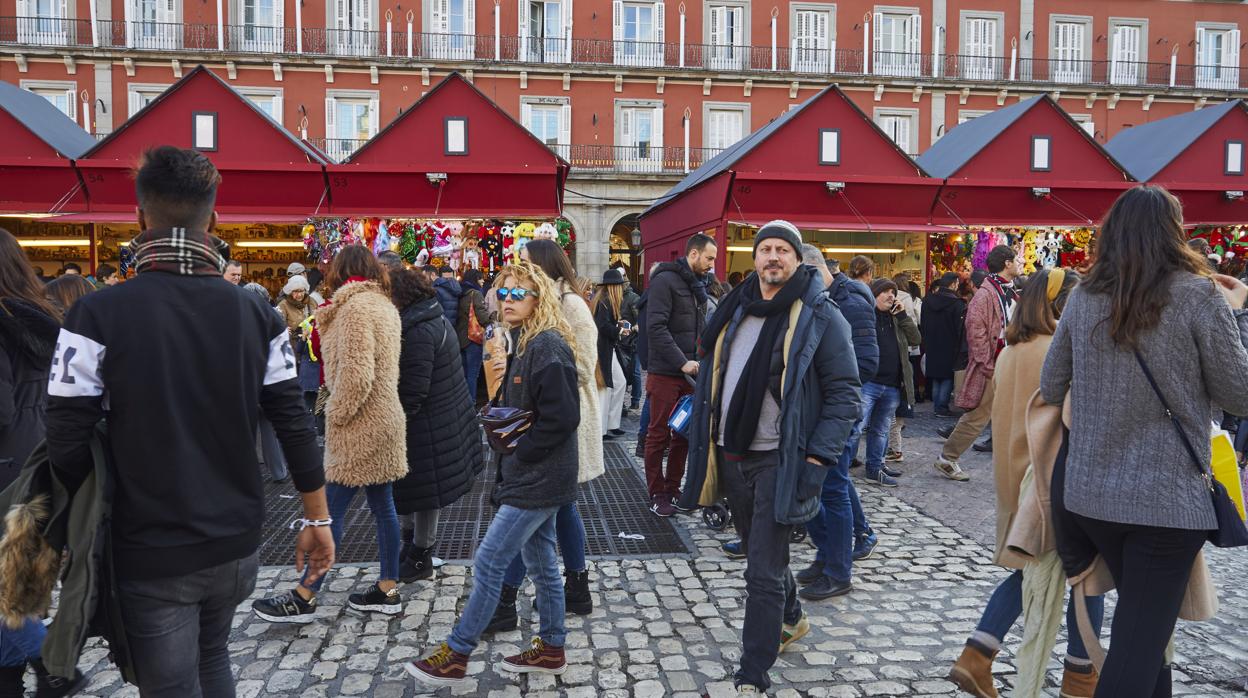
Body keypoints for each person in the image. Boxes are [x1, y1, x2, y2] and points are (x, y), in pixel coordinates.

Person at [43, 146, 332, 696]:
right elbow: (293, 421)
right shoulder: (257, 313)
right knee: (214, 658)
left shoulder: (95, 313)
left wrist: (84, 513)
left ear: (139, 218)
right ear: (214, 219)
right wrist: (318, 520)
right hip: (237, 539)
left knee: (171, 683)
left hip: (150, 542)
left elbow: (65, 433)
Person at [1041, 186, 1248, 696]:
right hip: (1166, 502)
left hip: (1091, 497)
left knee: (1145, 636)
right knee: (1136, 648)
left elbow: (1050, 386)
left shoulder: (1085, 295)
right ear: (1173, 234)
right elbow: (1239, 394)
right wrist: (1236, 312)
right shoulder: (1199, 294)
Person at [678, 220, 860, 694]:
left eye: (783, 249)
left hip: (782, 457)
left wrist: (818, 459)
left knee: (761, 569)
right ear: (754, 259)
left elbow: (845, 394)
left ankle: (752, 671)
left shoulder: (821, 315)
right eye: (766, 249)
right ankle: (794, 617)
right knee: (767, 558)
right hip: (732, 453)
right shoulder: (736, 309)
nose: (773, 257)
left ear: (798, 260)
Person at [406, 261, 581, 686]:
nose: (507, 301)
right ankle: (552, 648)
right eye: (502, 293)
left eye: (518, 293)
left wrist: (522, 454)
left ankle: (458, 652)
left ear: (539, 297)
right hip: (537, 476)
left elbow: (563, 417)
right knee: (541, 566)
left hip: (538, 479)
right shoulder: (525, 341)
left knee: (488, 561)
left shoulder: (547, 345)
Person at [949, 267, 1105, 698]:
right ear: (1058, 304)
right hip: (1051, 482)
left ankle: (977, 655)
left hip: (1015, 479)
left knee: (1031, 574)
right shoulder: (1060, 349)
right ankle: (1080, 676)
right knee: (1088, 574)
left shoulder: (1012, 350)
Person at [252, 245, 407, 622]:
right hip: (384, 417)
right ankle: (388, 587)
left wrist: (334, 413)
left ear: (340, 271)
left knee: (330, 508)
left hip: (360, 422)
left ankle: (306, 593)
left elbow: (356, 374)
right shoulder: (383, 305)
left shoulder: (354, 309)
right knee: (382, 505)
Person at [491, 239, 601, 628]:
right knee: (556, 509)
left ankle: (508, 601)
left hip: (560, 423)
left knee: (538, 509)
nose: (520, 269)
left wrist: (541, 381)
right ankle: (574, 588)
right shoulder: (532, 307)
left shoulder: (570, 306)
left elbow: (584, 366)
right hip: (541, 422)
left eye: (526, 263)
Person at [0, 229, 82, 696]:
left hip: (6, 471)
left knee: (9, 599)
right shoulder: (46, 320)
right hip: (39, 467)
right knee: (20, 593)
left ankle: (54, 660)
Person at [793, 245, 880, 599]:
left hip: (837, 415)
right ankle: (827, 556)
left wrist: (828, 390)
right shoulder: (819, 300)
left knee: (833, 490)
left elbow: (865, 364)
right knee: (813, 491)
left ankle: (838, 569)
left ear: (811, 268)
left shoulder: (850, 303)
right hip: (815, 414)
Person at [388, 267, 482, 583]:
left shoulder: (418, 331)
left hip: (429, 426)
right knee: (423, 491)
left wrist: (393, 420)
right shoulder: (432, 319)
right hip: (441, 421)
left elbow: (413, 390)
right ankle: (413, 547)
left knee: (425, 492)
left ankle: (419, 555)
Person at [643, 233, 716, 517]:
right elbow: (656, 327)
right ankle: (657, 493)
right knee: (657, 435)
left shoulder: (697, 284)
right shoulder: (664, 280)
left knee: (683, 434)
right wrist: (682, 362)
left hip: (690, 374)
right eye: (709, 258)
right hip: (665, 373)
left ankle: (673, 489)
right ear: (694, 254)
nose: (712, 264)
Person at [934, 245, 1019, 482]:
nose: (1020, 262)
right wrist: (987, 364)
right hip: (994, 364)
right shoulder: (986, 294)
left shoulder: (1009, 291)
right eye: (1016, 259)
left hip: (1009, 362)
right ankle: (947, 458)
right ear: (1007, 264)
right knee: (978, 417)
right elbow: (976, 332)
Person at [846, 279, 920, 489]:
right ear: (874, 294)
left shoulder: (897, 318)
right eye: (885, 292)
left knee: (880, 430)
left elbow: (915, 339)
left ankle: (874, 468)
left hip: (892, 384)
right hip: (868, 383)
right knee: (854, 428)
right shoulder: (864, 315)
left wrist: (903, 316)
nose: (891, 296)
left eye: (893, 292)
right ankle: (839, 470)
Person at [243, 282, 290, 483]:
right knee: (270, 431)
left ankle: (246, 474)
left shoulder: (237, 321)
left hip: (246, 386)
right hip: (271, 384)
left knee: (246, 433)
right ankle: (279, 471)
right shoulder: (275, 320)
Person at [922, 272, 966, 417]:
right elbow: (959, 328)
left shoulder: (928, 300)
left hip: (931, 342)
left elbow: (923, 323)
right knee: (947, 376)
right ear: (953, 284)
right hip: (950, 343)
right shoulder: (957, 303)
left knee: (936, 375)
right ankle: (942, 407)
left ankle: (937, 406)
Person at [593, 268, 630, 439]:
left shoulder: (605, 300)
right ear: (615, 286)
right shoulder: (604, 301)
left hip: (607, 349)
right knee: (606, 388)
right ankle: (602, 428)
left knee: (618, 383)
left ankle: (610, 424)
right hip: (602, 350)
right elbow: (602, 326)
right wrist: (618, 331)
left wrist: (618, 326)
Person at [457, 268, 491, 397]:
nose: (483, 281)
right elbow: (482, 316)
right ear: (475, 279)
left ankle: (464, 402)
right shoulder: (475, 293)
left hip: (460, 338)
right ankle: (472, 402)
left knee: (465, 373)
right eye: (480, 278)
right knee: (473, 374)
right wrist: (493, 318)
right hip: (473, 337)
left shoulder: (460, 293)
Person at [620, 277, 643, 413]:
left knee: (634, 371)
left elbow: (640, 319)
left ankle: (635, 400)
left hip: (633, 340)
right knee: (623, 371)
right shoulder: (616, 296)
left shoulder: (633, 298)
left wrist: (634, 328)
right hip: (620, 340)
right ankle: (622, 402)